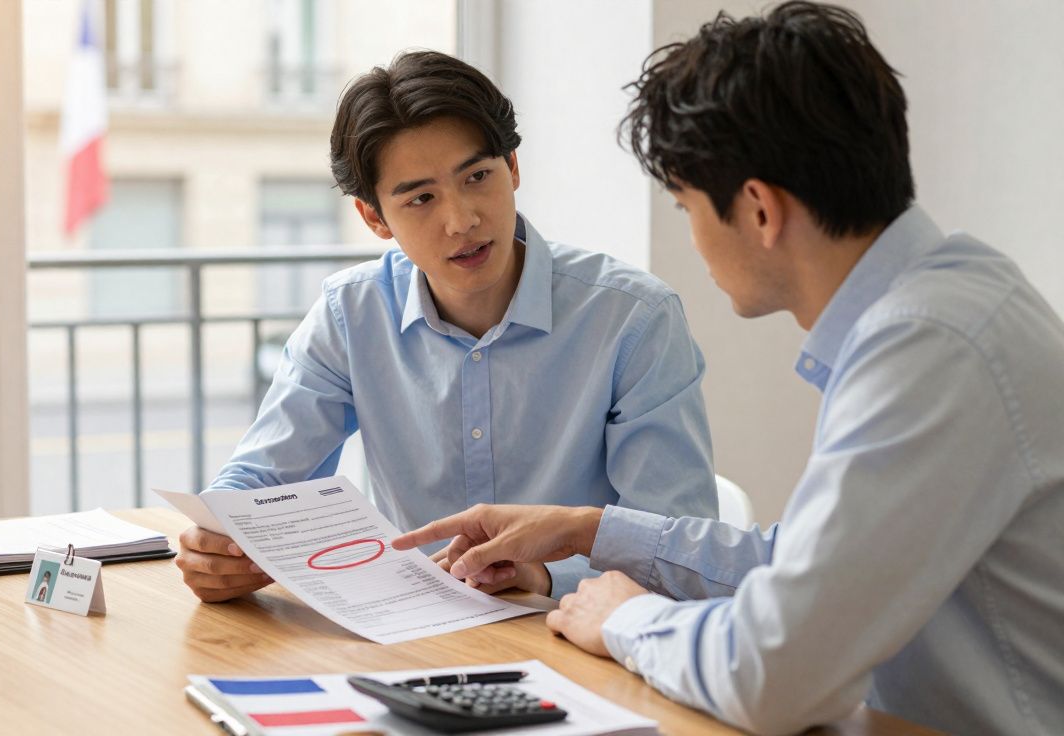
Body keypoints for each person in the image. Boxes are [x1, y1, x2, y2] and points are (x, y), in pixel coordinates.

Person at [392, 3, 1064, 735]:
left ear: (759, 211)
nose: (691, 236)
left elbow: (773, 674)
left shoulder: (930, 349)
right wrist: (590, 530)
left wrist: (627, 618)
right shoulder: (949, 300)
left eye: (684, 205)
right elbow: (807, 563)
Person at [175, 50, 717, 604]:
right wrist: (217, 542)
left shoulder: (633, 319)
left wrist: (547, 576)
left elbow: (678, 544)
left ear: (512, 168)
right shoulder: (351, 315)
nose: (462, 221)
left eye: (477, 176)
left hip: (580, 629)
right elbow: (260, 481)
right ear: (375, 218)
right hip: (414, 630)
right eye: (421, 198)